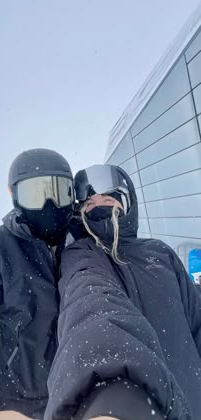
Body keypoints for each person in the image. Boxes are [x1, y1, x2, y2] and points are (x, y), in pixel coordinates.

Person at [45, 164, 201, 420]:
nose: (98, 207)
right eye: (89, 205)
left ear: (125, 203)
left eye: (107, 199)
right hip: (140, 405)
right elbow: (89, 299)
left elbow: (196, 320)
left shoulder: (159, 252)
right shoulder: (82, 255)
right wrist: (112, 396)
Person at [0, 148, 74, 420]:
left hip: (82, 390)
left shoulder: (82, 242)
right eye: (35, 194)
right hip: (21, 400)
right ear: (15, 196)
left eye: (57, 191)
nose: (49, 204)